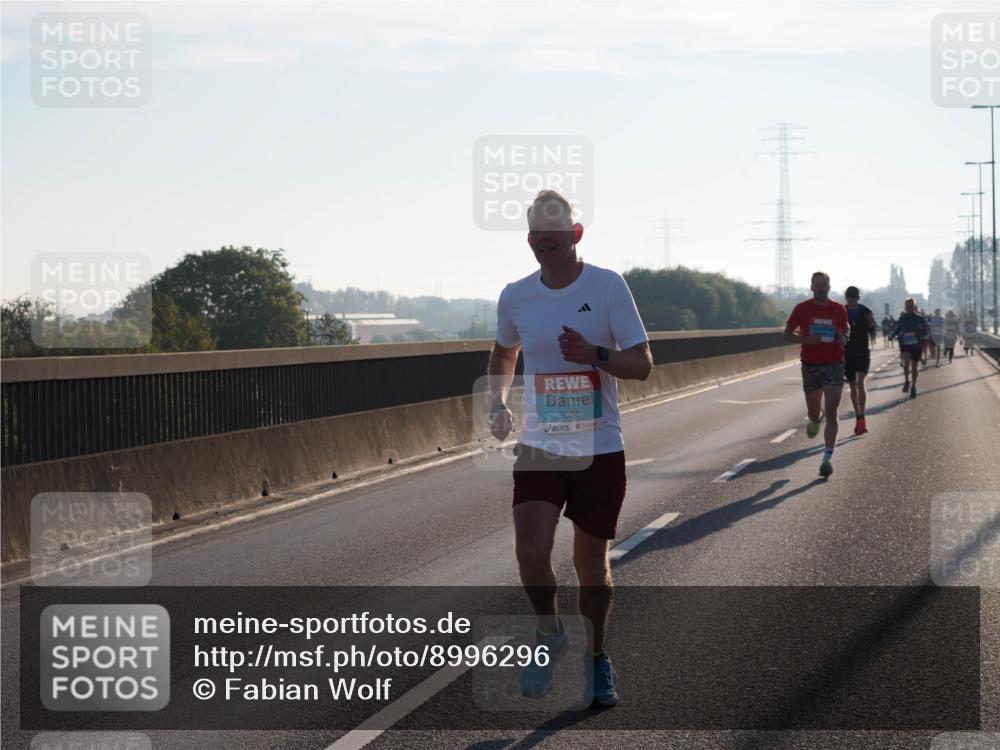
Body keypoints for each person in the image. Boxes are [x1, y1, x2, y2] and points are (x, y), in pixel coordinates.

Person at [489, 189, 652, 707]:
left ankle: (598, 657)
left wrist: (596, 354)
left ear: (575, 236)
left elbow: (643, 362)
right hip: (540, 444)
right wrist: (496, 400)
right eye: (534, 235)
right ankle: (549, 631)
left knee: (591, 565)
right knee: (530, 551)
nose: (541, 243)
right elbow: (504, 351)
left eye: (552, 236)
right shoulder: (515, 295)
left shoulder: (607, 287)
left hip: (599, 448)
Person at [783, 271, 850, 478]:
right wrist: (806, 340)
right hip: (811, 365)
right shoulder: (802, 309)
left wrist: (844, 337)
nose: (821, 288)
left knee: (832, 412)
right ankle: (814, 419)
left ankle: (827, 458)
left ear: (829, 287)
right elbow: (786, 334)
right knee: (815, 413)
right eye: (817, 284)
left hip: (834, 364)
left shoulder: (838, 309)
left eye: (824, 284)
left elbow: (846, 328)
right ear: (811, 287)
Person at [843, 286, 876, 435]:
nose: (851, 299)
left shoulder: (866, 311)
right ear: (846, 297)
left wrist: (871, 324)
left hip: (862, 352)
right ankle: (858, 416)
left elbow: (872, 329)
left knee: (861, 384)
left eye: (854, 297)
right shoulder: (841, 311)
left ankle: (862, 416)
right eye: (849, 296)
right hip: (848, 354)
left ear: (858, 298)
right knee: (853, 386)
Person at [892, 299, 929, 398]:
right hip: (905, 344)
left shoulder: (920, 318)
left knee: (914, 366)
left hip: (916, 345)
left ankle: (913, 385)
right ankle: (906, 381)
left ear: (914, 307)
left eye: (911, 306)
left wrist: (921, 329)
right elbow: (898, 328)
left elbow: (926, 331)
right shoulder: (902, 318)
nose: (909, 307)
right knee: (906, 362)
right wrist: (893, 335)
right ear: (905, 307)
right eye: (907, 305)